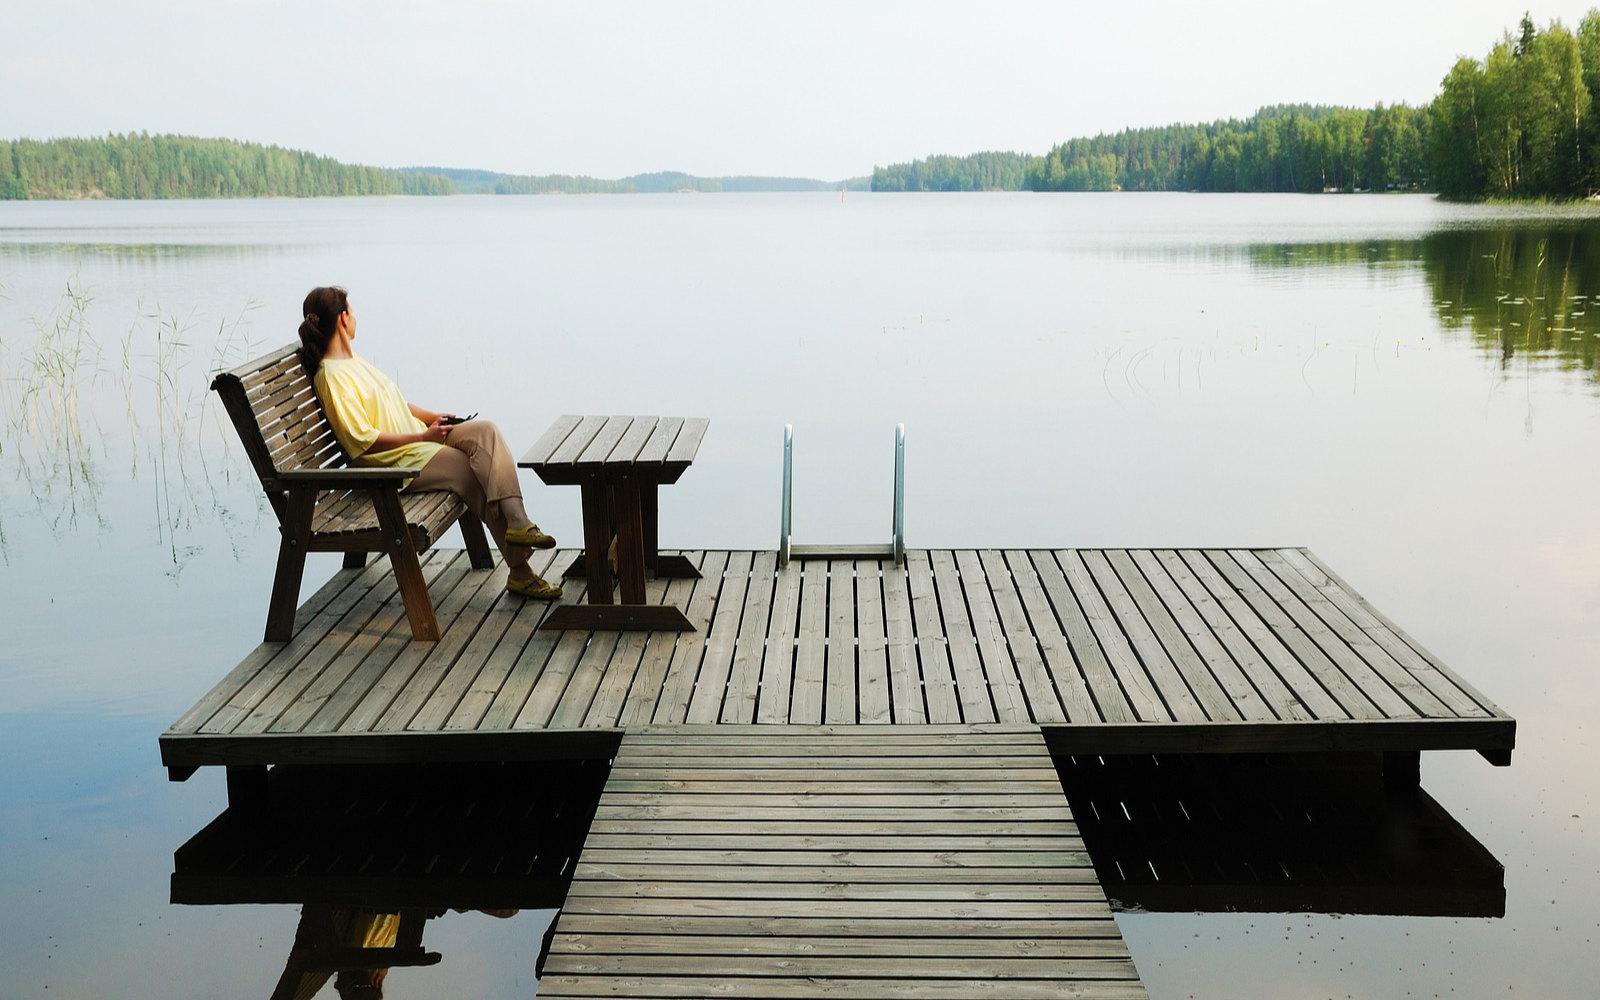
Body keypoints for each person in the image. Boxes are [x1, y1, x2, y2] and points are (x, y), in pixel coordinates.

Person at [296, 285, 562, 599]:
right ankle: (521, 572)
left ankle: (519, 520)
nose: (356, 318)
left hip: (421, 443)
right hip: (397, 463)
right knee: (469, 469)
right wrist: (424, 436)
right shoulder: (331, 377)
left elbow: (397, 404)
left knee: (486, 432)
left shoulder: (355, 362)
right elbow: (361, 442)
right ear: (343, 318)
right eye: (352, 311)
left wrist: (432, 417)